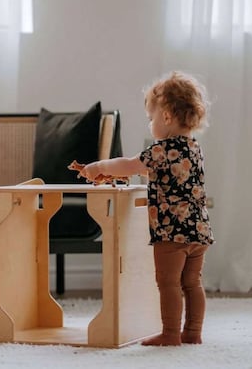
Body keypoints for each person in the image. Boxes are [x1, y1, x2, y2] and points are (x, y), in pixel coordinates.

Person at [79, 71, 213, 346]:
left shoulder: (161, 150)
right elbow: (167, 175)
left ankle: (171, 333)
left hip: (171, 233)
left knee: (168, 283)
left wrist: (99, 166)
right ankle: (193, 331)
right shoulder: (194, 148)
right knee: (192, 283)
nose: (150, 124)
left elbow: (130, 165)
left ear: (166, 116)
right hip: (199, 230)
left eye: (151, 118)